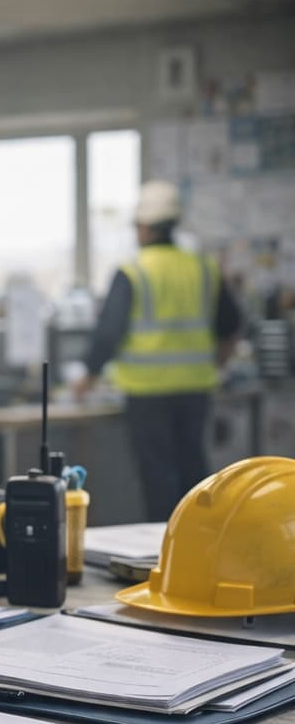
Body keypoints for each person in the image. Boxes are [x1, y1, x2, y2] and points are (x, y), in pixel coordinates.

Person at [72, 179, 244, 522]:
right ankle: (199, 552)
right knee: (194, 474)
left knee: (159, 479)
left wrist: (86, 378)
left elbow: (108, 333)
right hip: (196, 388)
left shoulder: (133, 271)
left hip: (147, 393)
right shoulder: (203, 267)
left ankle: (163, 557)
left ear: (146, 227)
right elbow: (231, 323)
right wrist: (218, 363)